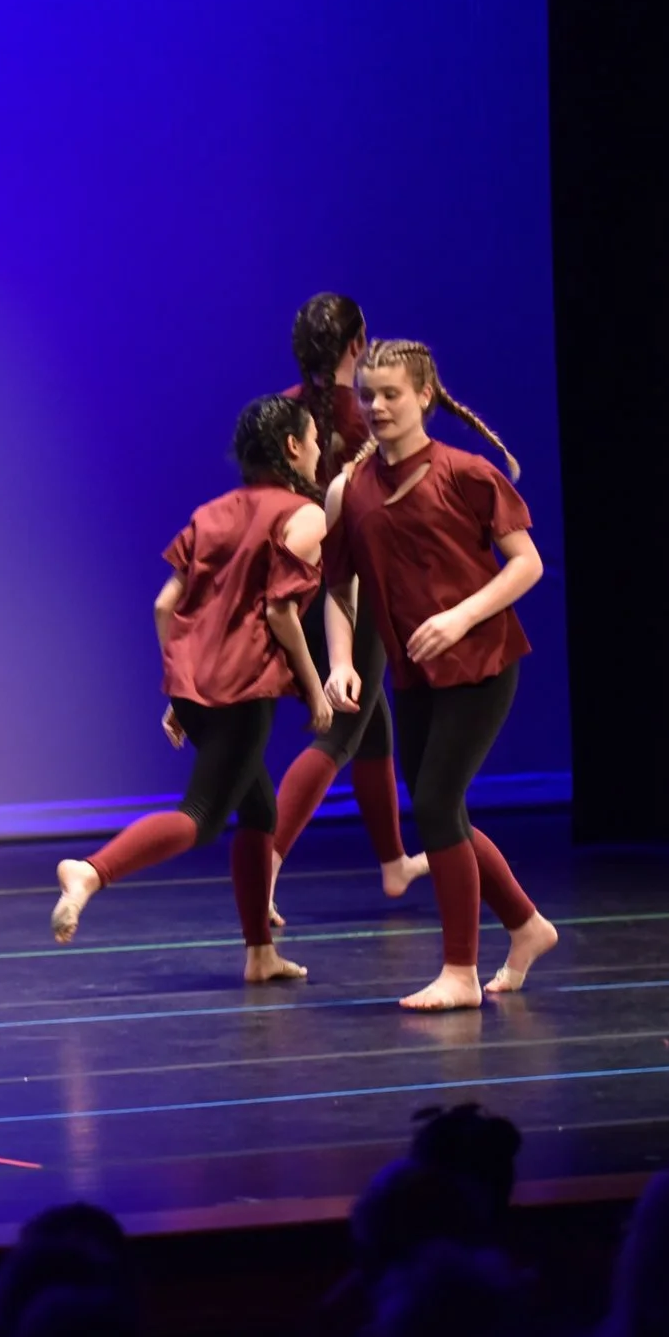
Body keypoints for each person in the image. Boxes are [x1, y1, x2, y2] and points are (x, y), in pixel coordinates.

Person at [48, 395, 328, 984]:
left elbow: (164, 604)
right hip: (244, 690)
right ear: (293, 448)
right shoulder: (303, 514)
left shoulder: (213, 512)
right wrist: (315, 689)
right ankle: (91, 872)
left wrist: (180, 687)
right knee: (200, 816)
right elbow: (281, 614)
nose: (321, 450)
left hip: (198, 690)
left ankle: (259, 954)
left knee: (258, 810)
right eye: (315, 439)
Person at [321, 342, 557, 1010]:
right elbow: (339, 587)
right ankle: (527, 925)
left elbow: (526, 564)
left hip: (480, 659)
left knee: (431, 804)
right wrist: (341, 662)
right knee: (442, 808)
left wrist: (460, 617)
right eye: (368, 395)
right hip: (414, 671)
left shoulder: (466, 472)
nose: (377, 407)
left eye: (392, 393)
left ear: (424, 394)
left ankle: (460, 970)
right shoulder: (351, 489)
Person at [269, 294, 427, 917]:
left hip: (293, 584)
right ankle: (268, 862)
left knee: (370, 722)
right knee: (338, 730)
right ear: (359, 346)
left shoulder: (284, 411)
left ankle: (393, 864)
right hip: (346, 594)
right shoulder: (368, 420)